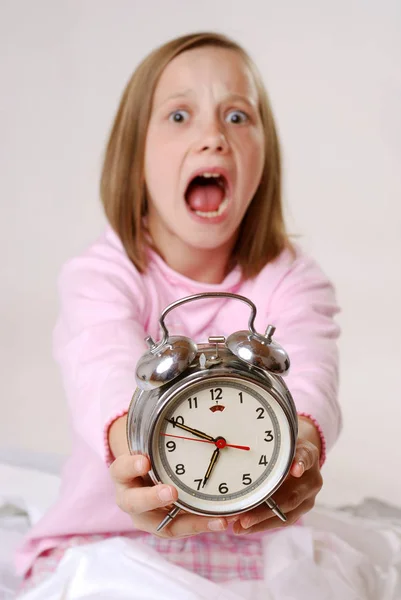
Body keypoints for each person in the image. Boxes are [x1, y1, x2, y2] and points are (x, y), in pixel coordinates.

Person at [16, 31, 341, 595]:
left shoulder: (293, 280)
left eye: (238, 116)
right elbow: (102, 360)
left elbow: (312, 372)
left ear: (266, 155)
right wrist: (134, 453)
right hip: (115, 537)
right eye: (180, 116)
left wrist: (304, 445)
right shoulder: (105, 273)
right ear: (134, 155)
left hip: (256, 538)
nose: (213, 136)